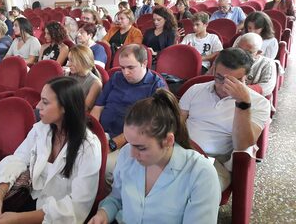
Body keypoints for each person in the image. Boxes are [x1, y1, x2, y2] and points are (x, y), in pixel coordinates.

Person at [89, 89, 221, 224]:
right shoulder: (126, 153)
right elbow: (117, 198)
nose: (132, 154)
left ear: (168, 141)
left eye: (141, 148)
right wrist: (103, 214)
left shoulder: (201, 174)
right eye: (130, 143)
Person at [0, 77, 101, 223]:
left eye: (45, 102)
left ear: (65, 107)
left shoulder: (88, 147)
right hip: (32, 202)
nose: (38, 106)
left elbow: (76, 208)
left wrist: (19, 219)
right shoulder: (42, 128)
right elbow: (18, 159)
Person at [180, 48, 271, 190]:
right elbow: (176, 123)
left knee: (195, 189)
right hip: (183, 152)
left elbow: (242, 145)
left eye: (232, 81)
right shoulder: (195, 90)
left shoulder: (259, 103)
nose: (223, 86)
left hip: (216, 162)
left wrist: (242, 103)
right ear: (214, 70)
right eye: (219, 78)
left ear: (245, 78)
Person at [91, 44, 166, 186]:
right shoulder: (116, 78)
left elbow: (147, 127)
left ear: (144, 63)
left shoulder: (156, 87)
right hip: (102, 133)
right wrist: (92, 134)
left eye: (130, 68)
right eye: (122, 68)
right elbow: (98, 107)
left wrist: (112, 144)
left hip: (130, 143)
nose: (125, 72)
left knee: (107, 167)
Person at [66, 45, 102, 111]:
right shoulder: (69, 74)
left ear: (83, 61)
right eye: (69, 60)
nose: (68, 64)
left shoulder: (95, 83)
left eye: (72, 61)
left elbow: (84, 109)